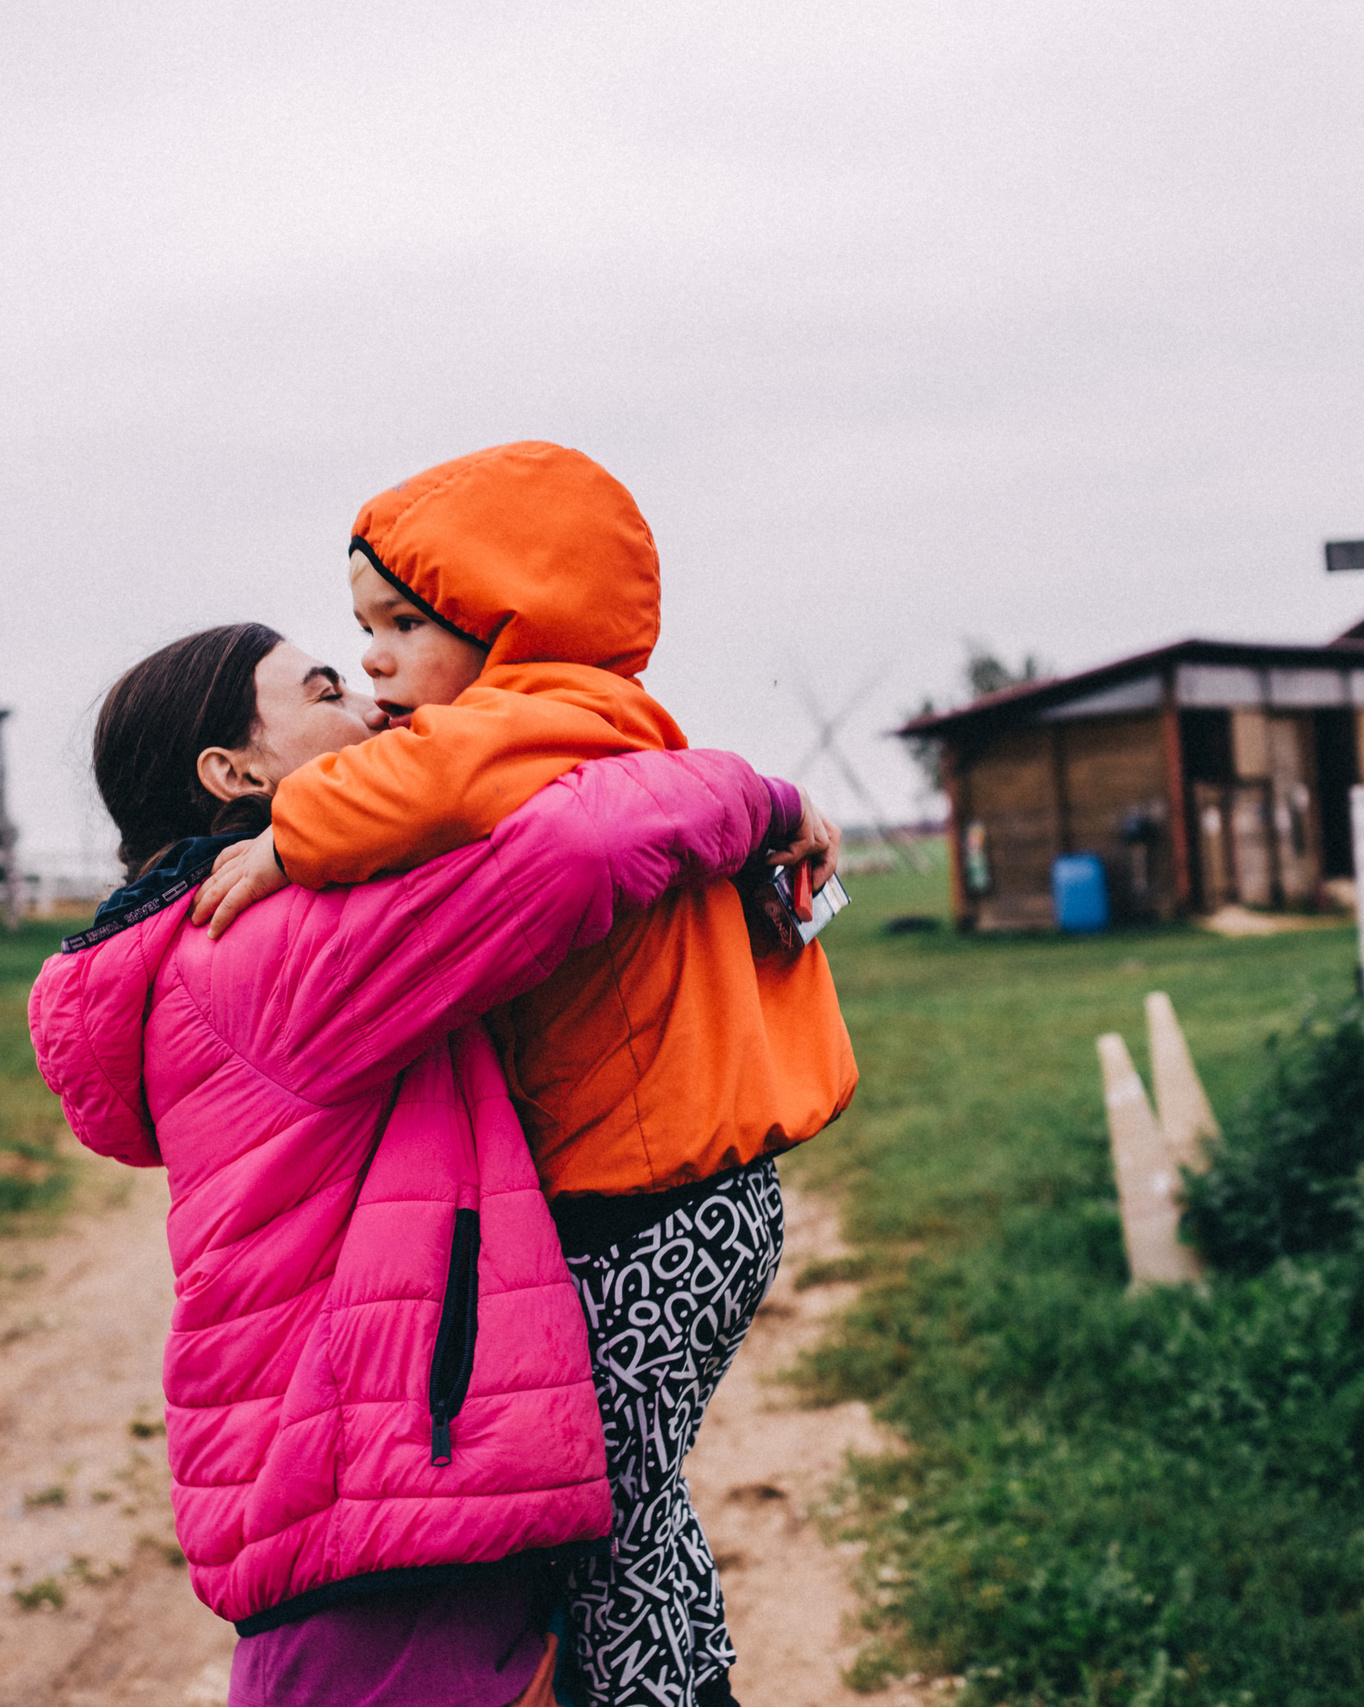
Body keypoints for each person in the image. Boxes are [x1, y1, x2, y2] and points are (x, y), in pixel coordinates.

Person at [29, 622, 819, 1707]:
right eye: (324, 691)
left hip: (380, 1513)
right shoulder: (268, 945)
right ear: (233, 772)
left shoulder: (216, 940)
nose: (371, 706)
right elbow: (571, 853)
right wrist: (767, 802)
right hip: (378, 1534)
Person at [193, 443, 859, 1707]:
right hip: (664, 1200)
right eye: (360, 631)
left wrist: (291, 840)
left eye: (401, 624)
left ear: (509, 618)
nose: (377, 660)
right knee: (608, 1492)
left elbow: (419, 783)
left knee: (604, 1499)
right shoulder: (560, 724)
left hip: (658, 1208)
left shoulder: (535, 722)